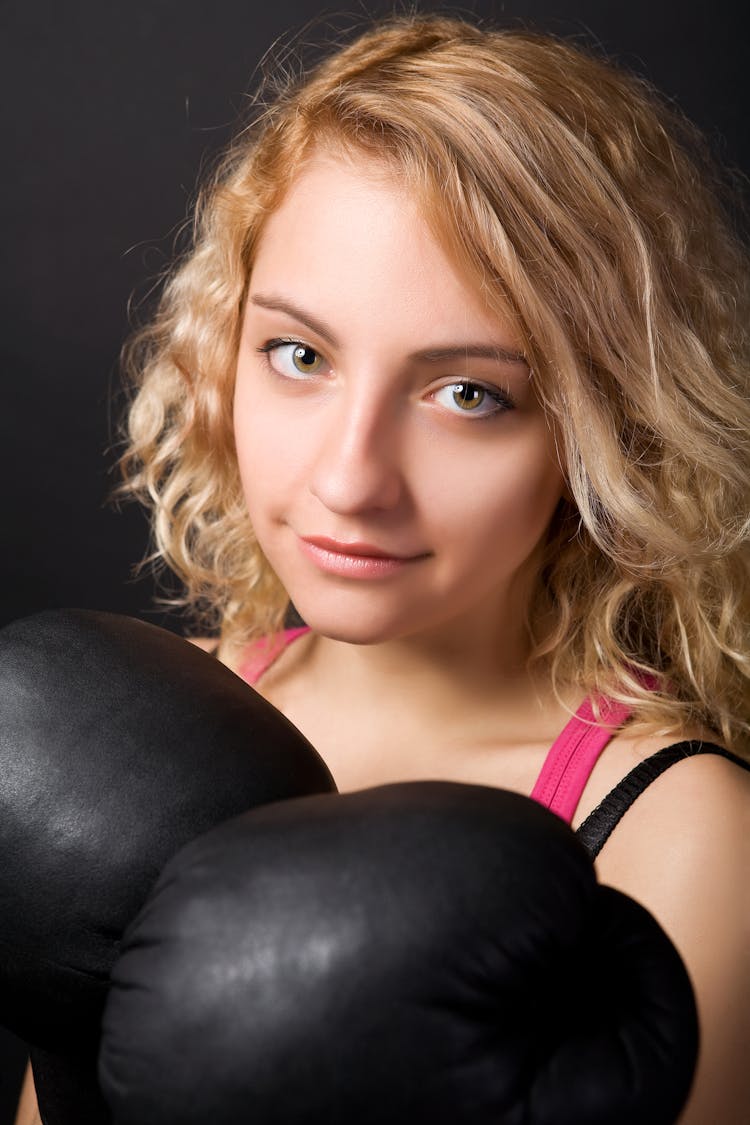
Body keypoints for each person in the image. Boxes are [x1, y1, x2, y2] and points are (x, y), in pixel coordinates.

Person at [16, 11, 750, 1124]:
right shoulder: (139, 739)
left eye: (469, 393)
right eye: (299, 355)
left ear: (604, 426)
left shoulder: (681, 835)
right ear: (226, 350)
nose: (351, 478)